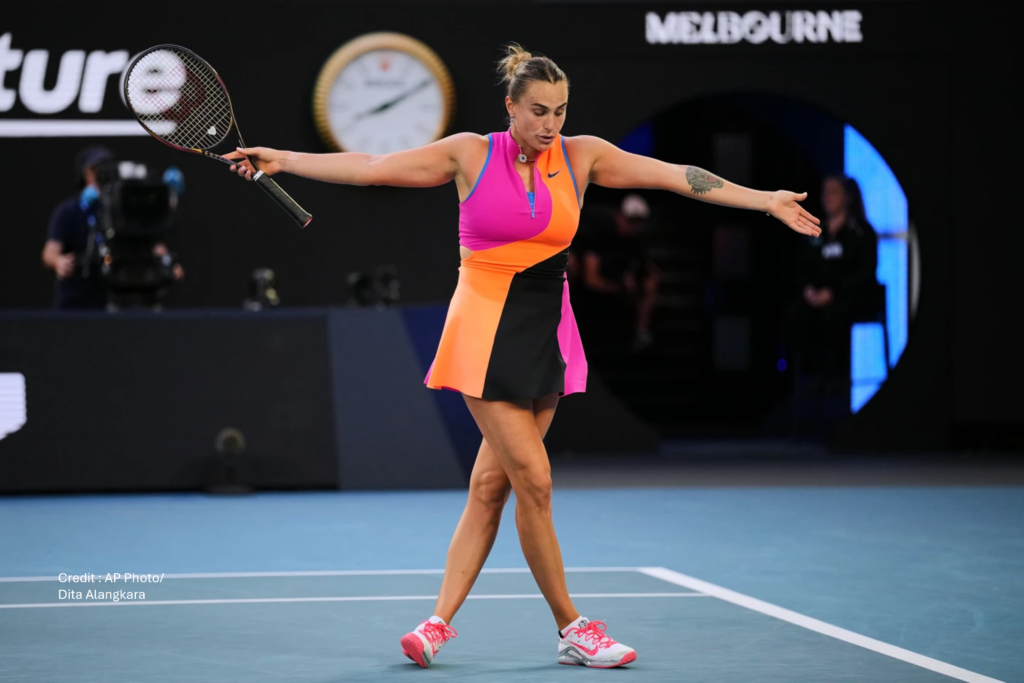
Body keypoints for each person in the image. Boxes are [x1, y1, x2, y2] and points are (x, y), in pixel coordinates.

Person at [225, 44, 820, 669]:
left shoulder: (583, 156)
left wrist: (765, 199)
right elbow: (374, 165)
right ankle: (574, 627)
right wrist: (284, 160)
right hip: (484, 327)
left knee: (491, 487)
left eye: (560, 111)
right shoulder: (468, 154)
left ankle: (435, 625)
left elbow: (679, 175)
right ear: (510, 106)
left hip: (549, 328)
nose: (550, 124)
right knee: (534, 481)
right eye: (538, 111)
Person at [41, 146, 183, 310]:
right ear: (85, 174)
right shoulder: (67, 211)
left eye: (107, 169)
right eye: (97, 170)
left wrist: (166, 261)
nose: (102, 175)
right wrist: (59, 261)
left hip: (115, 299)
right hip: (77, 301)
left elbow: (146, 241)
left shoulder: (126, 208)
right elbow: (49, 252)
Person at [791, 174, 878, 386]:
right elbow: (802, 267)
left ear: (847, 197)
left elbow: (865, 273)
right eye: (825, 192)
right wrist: (808, 289)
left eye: (833, 192)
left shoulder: (862, 232)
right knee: (797, 313)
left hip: (850, 298)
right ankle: (808, 379)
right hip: (817, 297)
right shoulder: (815, 231)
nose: (827, 197)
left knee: (834, 315)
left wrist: (834, 293)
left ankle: (837, 380)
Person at [577, 193, 660, 351]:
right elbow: (591, 279)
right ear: (619, 216)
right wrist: (620, 287)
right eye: (630, 220)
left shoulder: (637, 243)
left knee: (651, 281)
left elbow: (647, 272)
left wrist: (634, 281)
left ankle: (641, 332)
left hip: (621, 297)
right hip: (593, 296)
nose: (633, 226)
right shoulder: (599, 236)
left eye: (638, 222)